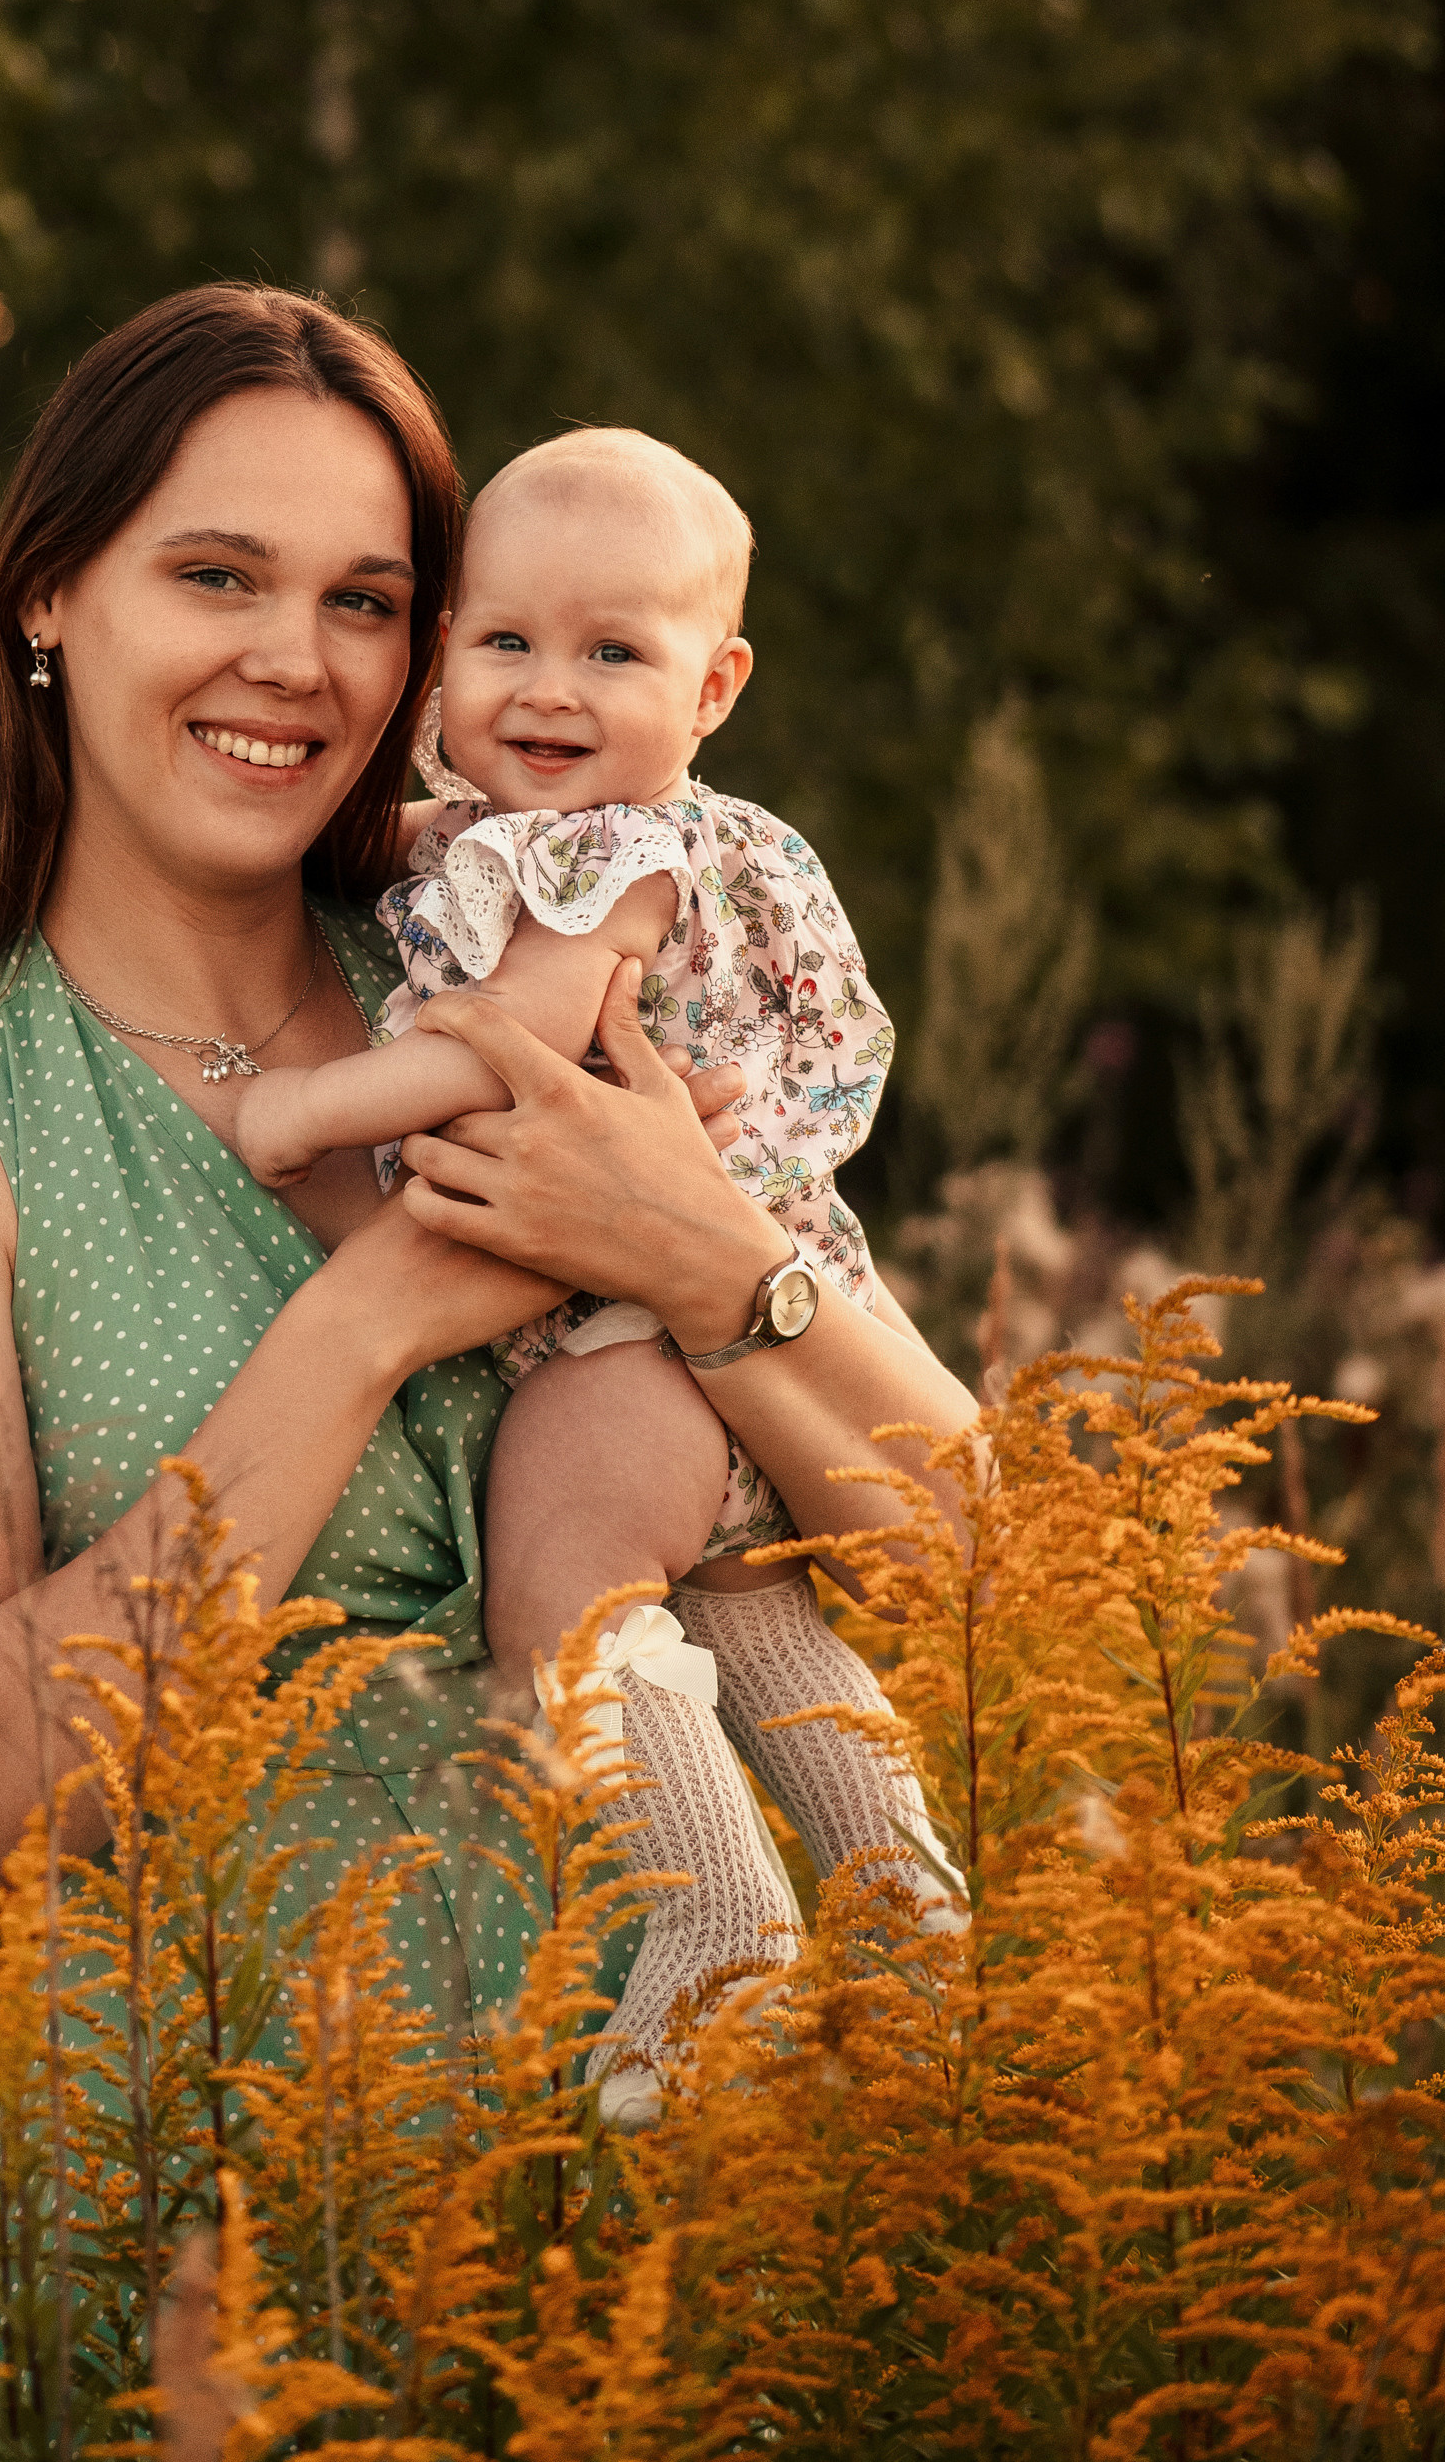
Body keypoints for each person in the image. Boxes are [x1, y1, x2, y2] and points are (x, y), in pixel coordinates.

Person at [0, 284, 980, 2081]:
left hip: (698, 2169)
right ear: (48, 592)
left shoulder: (523, 958)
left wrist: (710, 1261)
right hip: (250, 2185)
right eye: (216, 576)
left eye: (364, 601)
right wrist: (369, 1323)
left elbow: (1004, 1582)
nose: (296, 660)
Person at [233, 424, 963, 2105]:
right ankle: (910, 1914)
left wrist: (307, 1109)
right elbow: (412, 846)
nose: (551, 690)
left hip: (627, 1332)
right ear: (443, 662)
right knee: (751, 1614)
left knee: (564, 1599)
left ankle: (717, 1927)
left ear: (716, 685)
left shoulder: (603, 859)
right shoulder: (616, 834)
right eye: (507, 642)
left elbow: (510, 1038)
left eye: (613, 653)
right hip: (745, 1317)